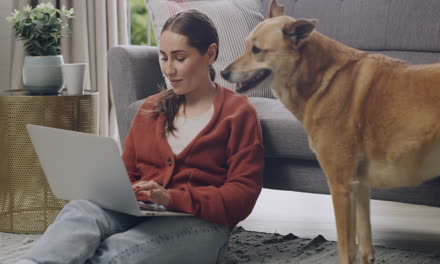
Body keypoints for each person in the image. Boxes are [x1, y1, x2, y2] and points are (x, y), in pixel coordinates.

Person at [17, 9, 264, 264]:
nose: (169, 69)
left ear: (210, 54)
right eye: (164, 58)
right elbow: (128, 171)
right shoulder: (150, 108)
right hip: (144, 211)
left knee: (119, 252)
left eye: (180, 58)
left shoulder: (238, 114)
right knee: (81, 211)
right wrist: (118, 189)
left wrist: (170, 198)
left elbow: (242, 195)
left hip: (203, 224)